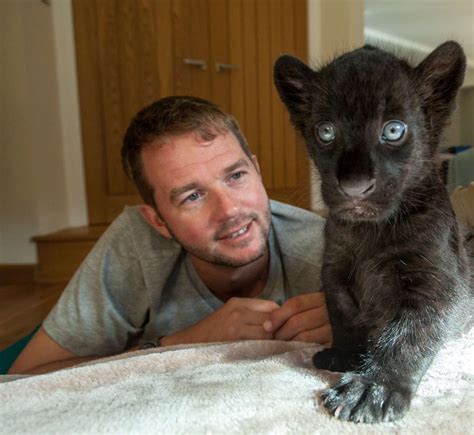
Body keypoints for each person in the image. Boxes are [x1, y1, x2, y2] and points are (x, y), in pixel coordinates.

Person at [9, 96, 331, 375]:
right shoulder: (136, 242)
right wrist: (185, 344)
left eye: (236, 176)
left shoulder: (326, 247)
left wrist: (355, 331)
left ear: (256, 171)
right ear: (157, 220)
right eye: (192, 196)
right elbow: (25, 377)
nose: (230, 209)